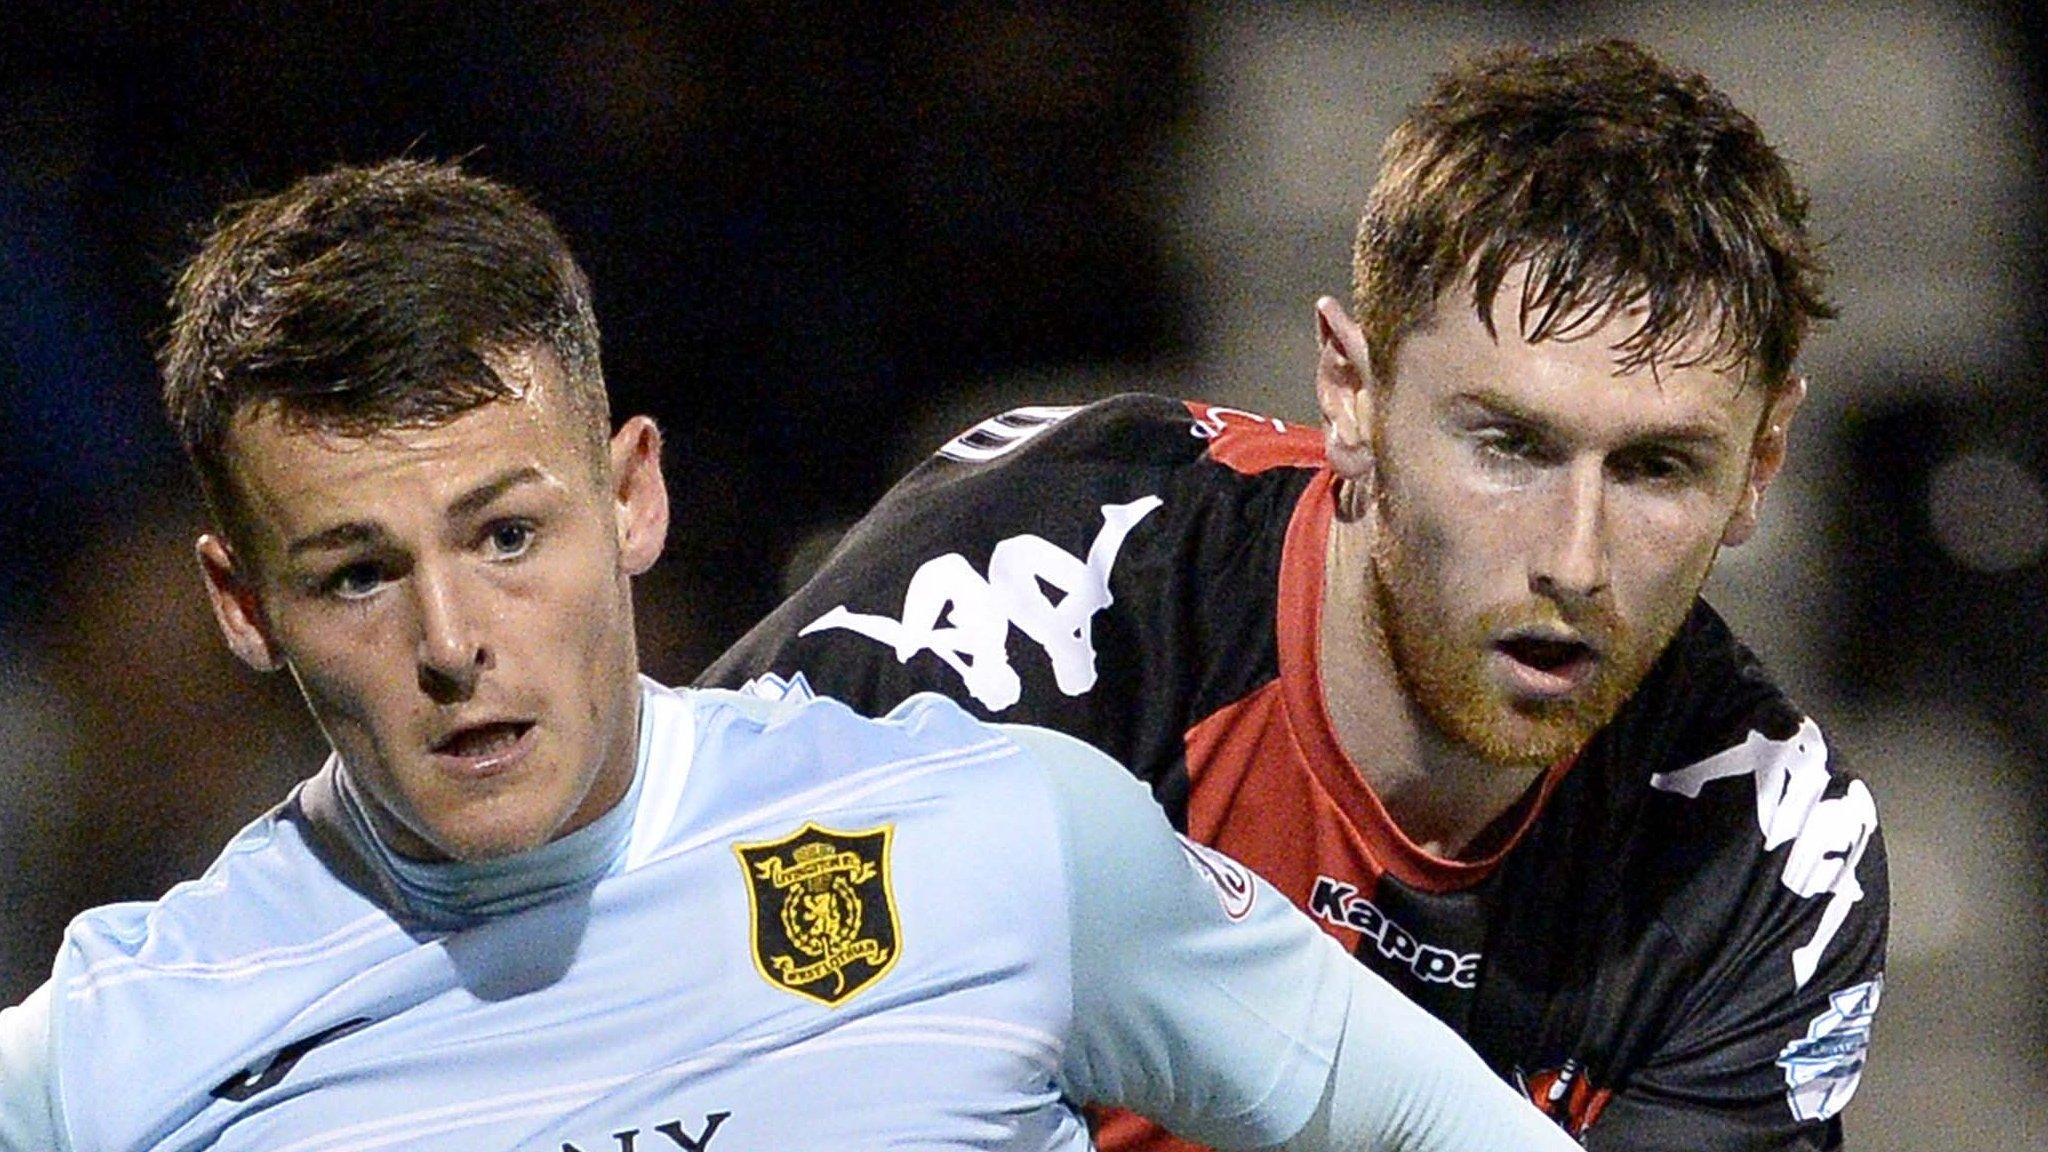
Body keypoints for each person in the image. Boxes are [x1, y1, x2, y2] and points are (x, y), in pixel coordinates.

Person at [0, 159, 1592, 1152]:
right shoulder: (116, 1055)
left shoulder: (1002, 839)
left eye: (505, 536)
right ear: (240, 605)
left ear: (633, 496)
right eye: (356, 573)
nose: (450, 644)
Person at [702, 39, 1888, 1152]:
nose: (1573, 561)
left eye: (1656, 468)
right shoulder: (1044, 582)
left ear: (1759, 469)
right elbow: (649, 960)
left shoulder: (1772, 855)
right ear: (1350, 392)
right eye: (1509, 447)